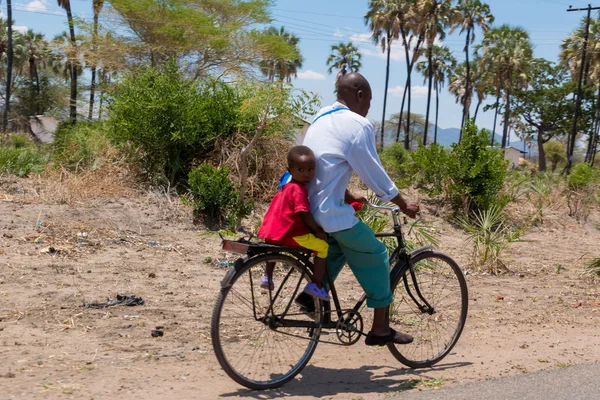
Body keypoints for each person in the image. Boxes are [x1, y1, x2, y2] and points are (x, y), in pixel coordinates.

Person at [300, 72, 420, 346]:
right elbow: (373, 173)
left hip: (307, 208)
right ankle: (380, 329)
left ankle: (311, 298)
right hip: (329, 213)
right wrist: (403, 203)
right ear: (360, 96)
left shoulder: (320, 118)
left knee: (339, 248)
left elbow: (324, 167)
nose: (368, 108)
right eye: (369, 102)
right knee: (378, 253)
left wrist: (347, 193)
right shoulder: (357, 124)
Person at [257, 146, 331, 300]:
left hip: (274, 233)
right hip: (292, 234)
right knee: (323, 247)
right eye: (301, 169)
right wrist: (317, 230)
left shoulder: (285, 188)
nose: (306, 174)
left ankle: (267, 277)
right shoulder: (298, 189)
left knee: (274, 250)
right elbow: (303, 212)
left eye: (310, 169)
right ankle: (315, 284)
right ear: (290, 170)